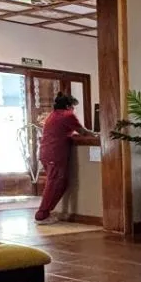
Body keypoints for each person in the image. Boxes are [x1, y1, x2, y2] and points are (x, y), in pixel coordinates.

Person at [35, 93, 86, 224]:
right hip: (55, 154)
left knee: (60, 184)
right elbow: (83, 132)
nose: (73, 109)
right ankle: (42, 215)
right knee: (54, 184)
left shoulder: (52, 115)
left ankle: (45, 212)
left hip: (46, 153)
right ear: (68, 106)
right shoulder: (67, 115)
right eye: (73, 106)